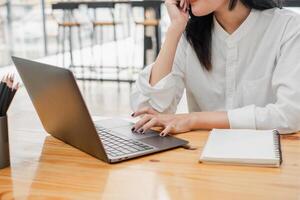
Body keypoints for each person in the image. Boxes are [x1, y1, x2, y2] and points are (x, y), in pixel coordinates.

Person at [130, 0, 300, 136]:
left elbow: (290, 115)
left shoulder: (288, 27)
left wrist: (194, 119)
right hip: (201, 162)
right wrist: (175, 29)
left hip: (270, 163)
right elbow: (149, 114)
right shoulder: (189, 34)